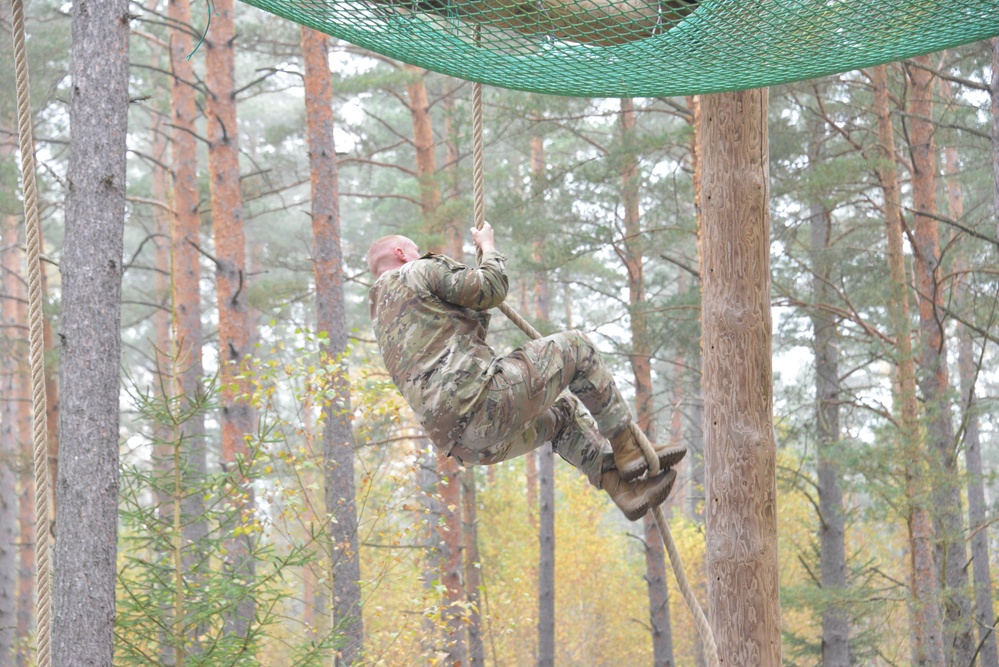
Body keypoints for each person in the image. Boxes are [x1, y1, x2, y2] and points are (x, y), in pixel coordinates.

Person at [367, 223, 685, 520]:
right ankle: (627, 447)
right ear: (401, 254)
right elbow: (489, 288)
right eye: (415, 250)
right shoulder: (416, 270)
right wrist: (488, 247)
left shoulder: (381, 317)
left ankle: (621, 487)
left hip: (468, 445)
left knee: (563, 414)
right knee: (576, 347)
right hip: (485, 404)